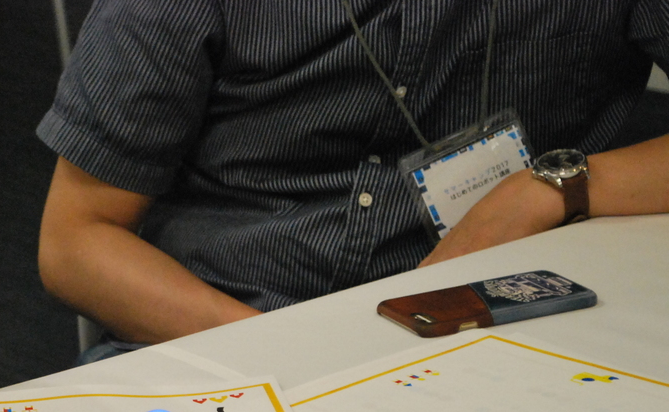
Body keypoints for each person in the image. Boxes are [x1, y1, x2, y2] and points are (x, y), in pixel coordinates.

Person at [36, 0, 669, 358]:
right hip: (232, 333)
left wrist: (550, 187)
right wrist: (303, 354)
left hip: (504, 324)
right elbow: (76, 242)